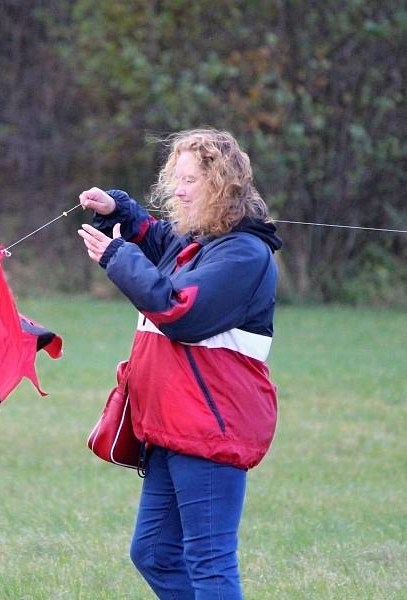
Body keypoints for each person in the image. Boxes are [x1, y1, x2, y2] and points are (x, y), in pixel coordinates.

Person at [77, 128, 281, 599]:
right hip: (173, 425)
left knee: (209, 564)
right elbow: (160, 239)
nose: (178, 190)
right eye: (177, 178)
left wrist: (116, 256)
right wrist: (121, 212)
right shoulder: (200, 242)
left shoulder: (243, 253)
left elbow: (179, 312)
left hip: (211, 429)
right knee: (152, 553)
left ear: (221, 185)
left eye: (190, 180)